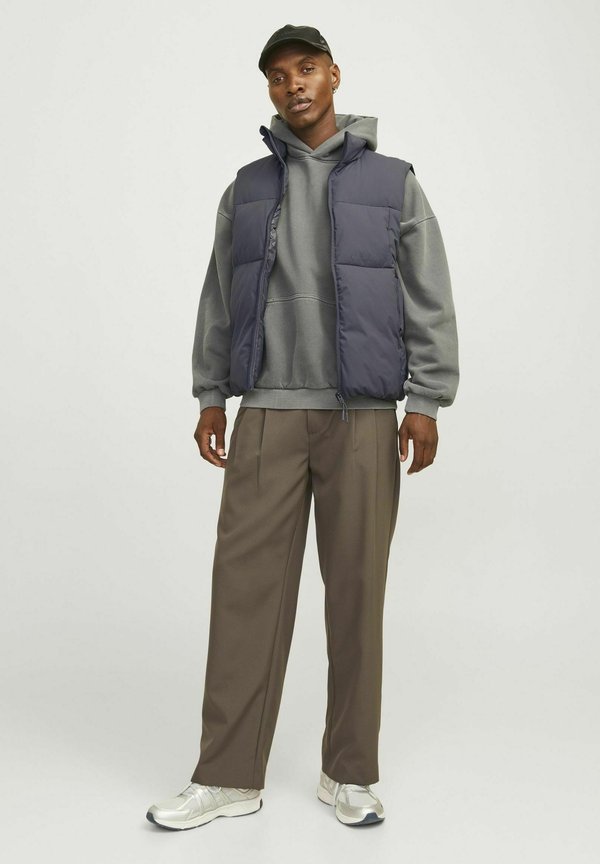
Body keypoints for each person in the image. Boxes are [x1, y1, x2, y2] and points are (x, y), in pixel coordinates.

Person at [146, 23, 459, 831]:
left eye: (307, 68)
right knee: (243, 594)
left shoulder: (393, 183)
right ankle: (227, 776)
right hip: (267, 411)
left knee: (356, 596)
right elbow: (219, 295)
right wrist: (210, 394)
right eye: (279, 75)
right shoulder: (247, 188)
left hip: (363, 417)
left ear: (334, 75)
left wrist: (426, 401)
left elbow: (428, 293)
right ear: (270, 89)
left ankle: (347, 772)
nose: (294, 84)